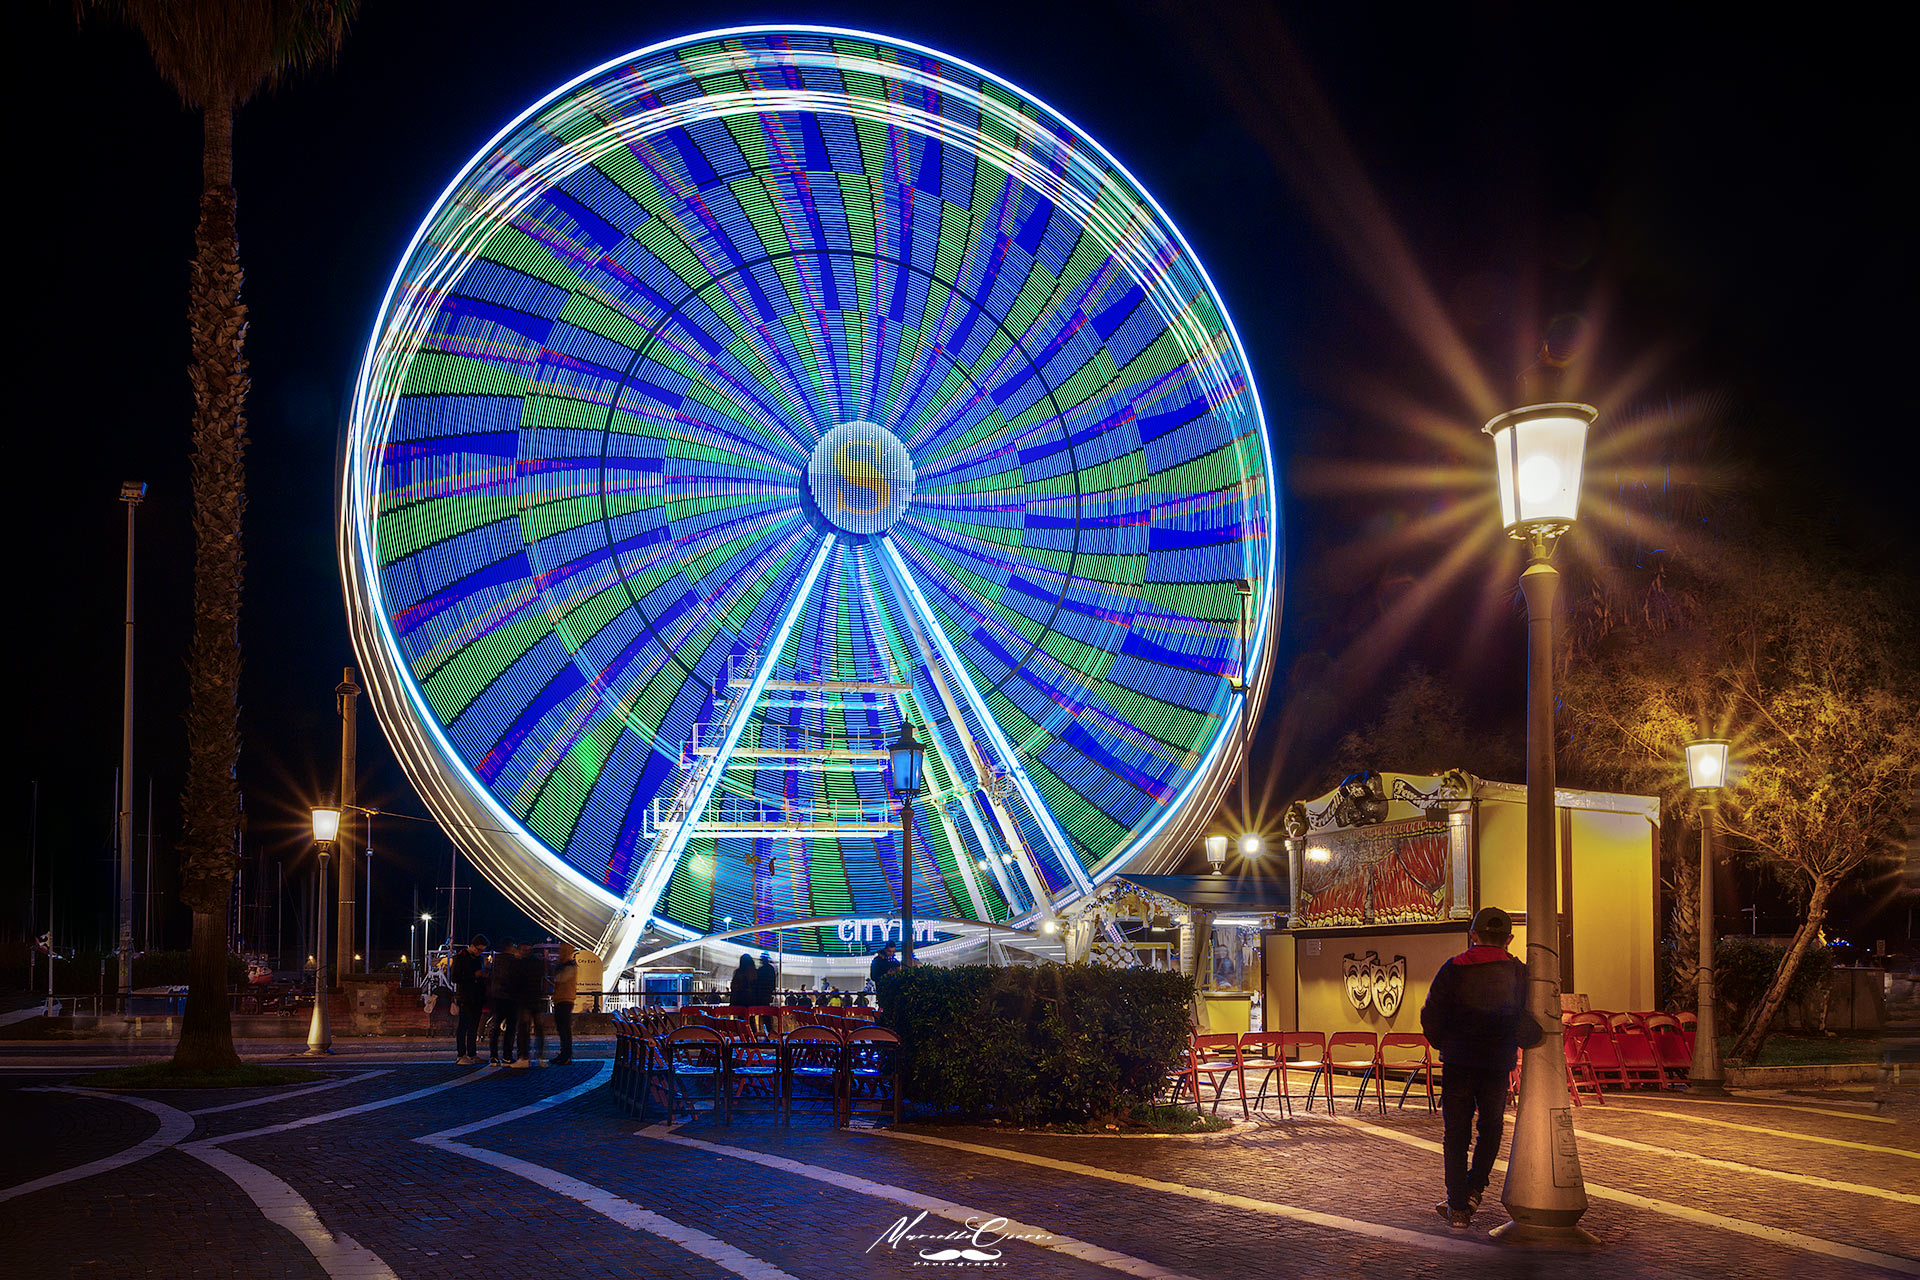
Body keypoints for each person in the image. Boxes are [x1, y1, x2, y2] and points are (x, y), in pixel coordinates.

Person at [1420, 906, 1542, 1229]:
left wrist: (1445, 1043)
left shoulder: (1453, 968)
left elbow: (1430, 1014)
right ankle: (1475, 1188)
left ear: (1473, 935)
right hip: (1497, 1062)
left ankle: (1458, 1206)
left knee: (1456, 1133)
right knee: (1492, 1127)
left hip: (1459, 1061)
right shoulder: (1519, 972)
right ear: (1509, 938)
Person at [506, 940, 545, 1069]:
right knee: (538, 1030)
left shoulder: (518, 964)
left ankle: (524, 1057)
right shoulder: (538, 963)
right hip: (535, 998)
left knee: (523, 1030)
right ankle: (540, 1056)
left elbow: (514, 981)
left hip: (524, 1000)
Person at [449, 935, 487, 1065]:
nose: (479, 952)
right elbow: (455, 977)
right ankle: (461, 1054)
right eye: (478, 949)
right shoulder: (460, 958)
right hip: (465, 996)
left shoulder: (479, 958)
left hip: (477, 996)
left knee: (473, 1027)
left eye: (482, 950)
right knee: (463, 1025)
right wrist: (473, 975)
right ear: (472, 945)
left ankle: (472, 1053)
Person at [487, 939, 515, 1066]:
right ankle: (507, 1056)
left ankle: (493, 1056)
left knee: (495, 1027)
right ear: (508, 947)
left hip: (496, 997)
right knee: (510, 1029)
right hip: (509, 997)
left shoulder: (495, 961)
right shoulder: (512, 961)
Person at [549, 943, 578, 1065]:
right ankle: (563, 1053)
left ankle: (566, 1055)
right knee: (561, 1029)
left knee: (564, 1029)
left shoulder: (569, 966)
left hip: (565, 1000)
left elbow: (559, 979)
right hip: (561, 999)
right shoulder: (567, 965)